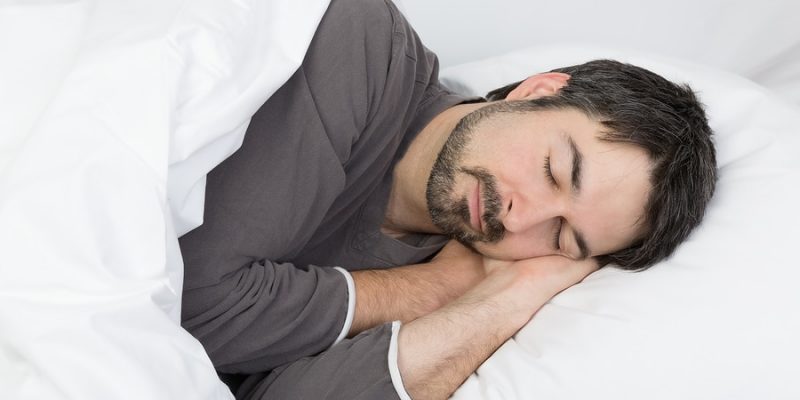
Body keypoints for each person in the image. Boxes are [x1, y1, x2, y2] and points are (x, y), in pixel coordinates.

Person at [178, 0, 716, 398]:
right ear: (536, 92)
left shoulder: (464, 269)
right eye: (553, 171)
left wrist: (505, 298)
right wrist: (437, 287)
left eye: (560, 235)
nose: (520, 216)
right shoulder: (362, 43)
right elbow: (185, 304)